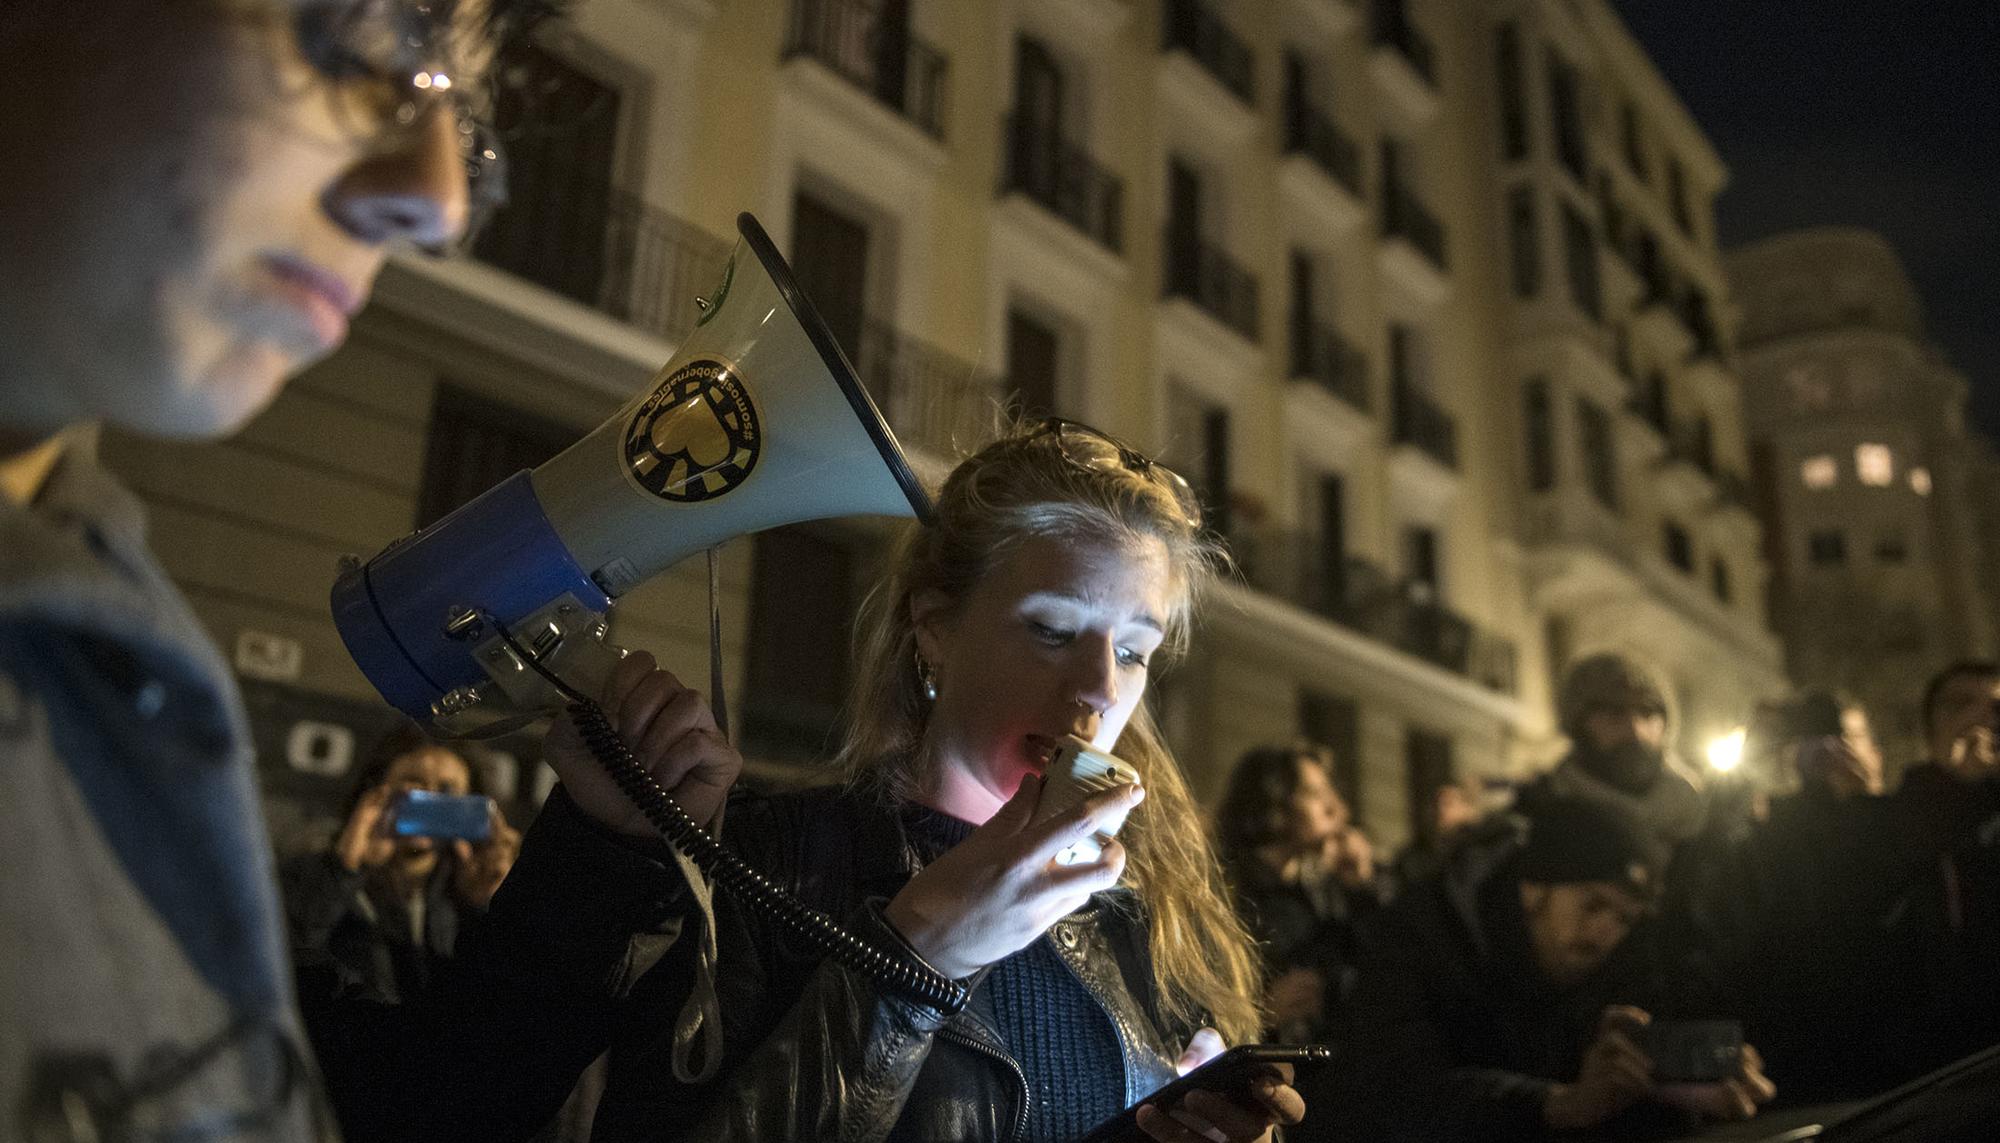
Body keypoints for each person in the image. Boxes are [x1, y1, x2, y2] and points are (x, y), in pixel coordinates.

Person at [0, 4, 742, 1138]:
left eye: (464, 119)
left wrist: (591, 859)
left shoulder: (102, 614)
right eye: (350, 45)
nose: (439, 200)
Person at [378, 421, 1309, 1143]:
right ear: (935, 631)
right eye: (1052, 630)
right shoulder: (768, 859)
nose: (1103, 688)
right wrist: (918, 957)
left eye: (1136, 650)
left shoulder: (1136, 910)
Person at [1320, 796, 1774, 1143]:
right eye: (1593, 904)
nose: (1604, 933)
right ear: (1534, 890)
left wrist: (1669, 1090)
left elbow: (1591, 1101)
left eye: (1624, 918)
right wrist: (1557, 1103)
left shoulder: (1598, 965)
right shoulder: (1422, 939)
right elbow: (1397, 1093)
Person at [284, 722, 521, 1007]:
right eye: (414, 783)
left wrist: (484, 908)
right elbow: (285, 956)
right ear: (378, 790)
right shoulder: (315, 872)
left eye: (447, 791)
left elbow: (498, 995)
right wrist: (343, 869)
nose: (429, 799)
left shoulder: (465, 895)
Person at [1217, 744, 1385, 1043]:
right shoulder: (1224, 891)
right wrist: (1258, 1015)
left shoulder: (1324, 887)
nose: (1335, 808)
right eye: (1315, 793)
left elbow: (1376, 972)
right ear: (1274, 801)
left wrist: (1361, 887)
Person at [1517, 654, 1705, 854]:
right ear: (1579, 725)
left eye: (1647, 713)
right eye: (1614, 713)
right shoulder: (1537, 821)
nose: (1636, 729)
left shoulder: (1700, 823)